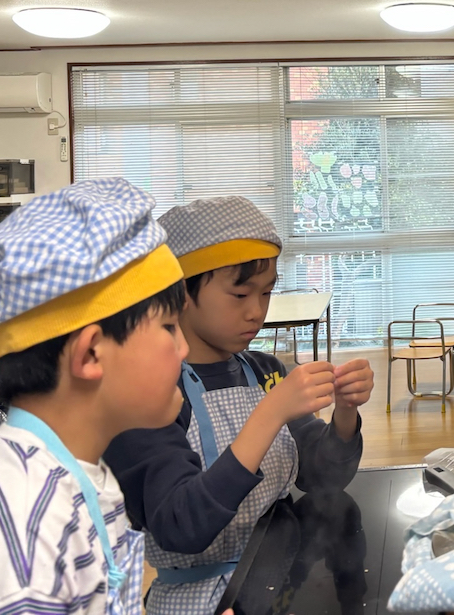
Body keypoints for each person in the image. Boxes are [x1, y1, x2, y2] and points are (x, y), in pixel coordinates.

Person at [0, 178, 189, 615]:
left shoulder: (65, 470)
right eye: (169, 328)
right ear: (91, 354)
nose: (184, 349)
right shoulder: (22, 540)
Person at [104, 196, 374, 615]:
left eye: (266, 292)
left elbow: (322, 478)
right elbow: (182, 526)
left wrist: (344, 412)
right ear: (179, 292)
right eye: (240, 294)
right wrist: (270, 413)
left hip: (276, 586)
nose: (257, 311)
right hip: (199, 602)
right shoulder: (150, 395)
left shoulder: (265, 371)